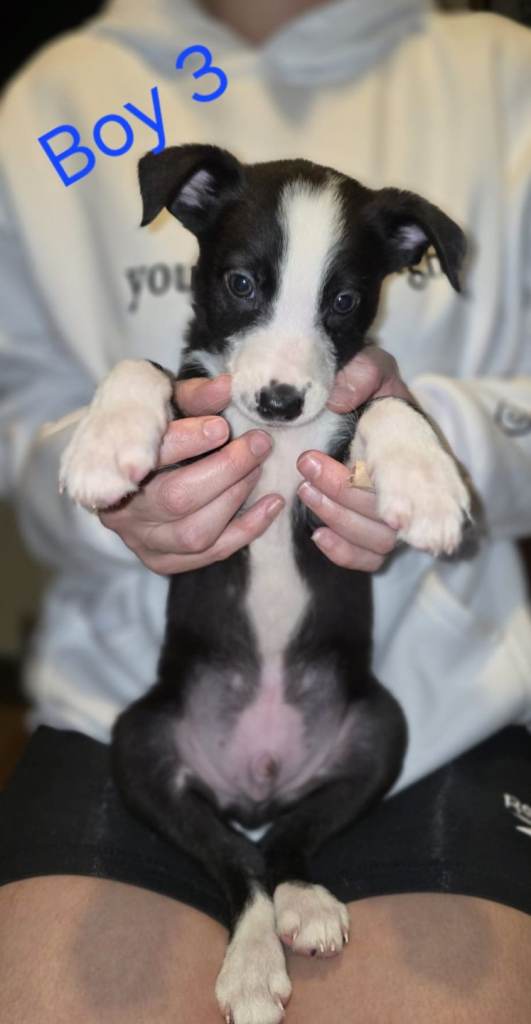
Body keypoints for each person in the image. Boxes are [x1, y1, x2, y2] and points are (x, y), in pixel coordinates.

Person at [0, 0, 531, 1020]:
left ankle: (281, 871)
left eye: (337, 303)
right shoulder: (58, 94)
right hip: (136, 702)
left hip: (421, 715)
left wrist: (424, 429)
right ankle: (256, 890)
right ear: (193, 222)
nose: (284, 374)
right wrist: (104, 472)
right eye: (245, 284)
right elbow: (26, 431)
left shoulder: (502, 75)